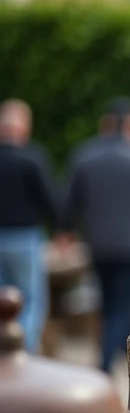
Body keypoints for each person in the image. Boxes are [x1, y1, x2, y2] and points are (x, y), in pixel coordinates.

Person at [63, 99, 130, 374]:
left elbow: (70, 203)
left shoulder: (85, 156)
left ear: (105, 124)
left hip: (98, 245)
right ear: (128, 125)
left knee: (107, 306)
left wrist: (66, 231)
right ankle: (108, 363)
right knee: (124, 309)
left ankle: (111, 358)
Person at [0, 99, 58, 352]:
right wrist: (60, 231)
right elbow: (50, 199)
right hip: (25, 238)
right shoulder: (33, 158)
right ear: (24, 128)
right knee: (31, 302)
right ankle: (24, 353)